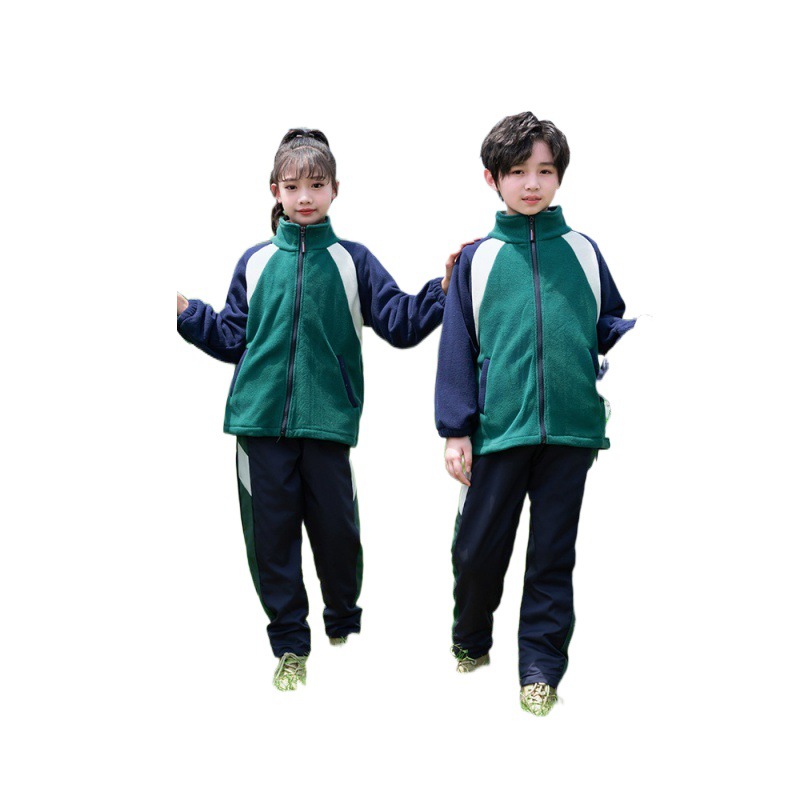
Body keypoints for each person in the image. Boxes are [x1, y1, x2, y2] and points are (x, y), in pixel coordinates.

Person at [177, 128, 456, 692]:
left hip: (328, 423)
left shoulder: (353, 261)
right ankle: (289, 646)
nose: (304, 196)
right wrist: (183, 310)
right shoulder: (255, 262)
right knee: (271, 540)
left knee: (337, 532)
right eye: (293, 186)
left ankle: (343, 621)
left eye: (316, 185)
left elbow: (400, 323)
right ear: (275, 191)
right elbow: (231, 337)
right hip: (259, 425)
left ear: (335, 189)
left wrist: (443, 289)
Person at [435, 112, 635, 716]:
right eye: (518, 171)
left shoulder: (583, 250)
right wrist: (456, 429)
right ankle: (471, 638)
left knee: (552, 554)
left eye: (544, 171)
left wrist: (628, 343)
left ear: (559, 177)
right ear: (492, 178)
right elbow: (457, 346)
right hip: (498, 431)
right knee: (477, 552)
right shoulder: (477, 259)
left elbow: (607, 320)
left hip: (571, 431)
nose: (531, 184)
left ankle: (541, 671)